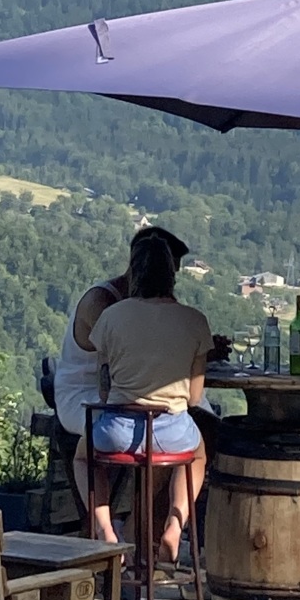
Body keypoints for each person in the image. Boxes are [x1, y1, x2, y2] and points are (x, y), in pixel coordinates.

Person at [84, 233, 212, 561]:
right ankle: (174, 523)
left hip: (119, 433)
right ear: (171, 274)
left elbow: (103, 386)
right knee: (197, 455)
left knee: (82, 457)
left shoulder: (112, 317)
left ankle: (105, 529)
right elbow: (195, 397)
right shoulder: (194, 320)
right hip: (171, 432)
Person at [52, 225, 191, 441]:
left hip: (129, 392)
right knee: (171, 422)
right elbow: (133, 357)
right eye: (168, 271)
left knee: (200, 419)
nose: (171, 281)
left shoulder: (149, 303)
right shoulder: (100, 302)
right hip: (84, 396)